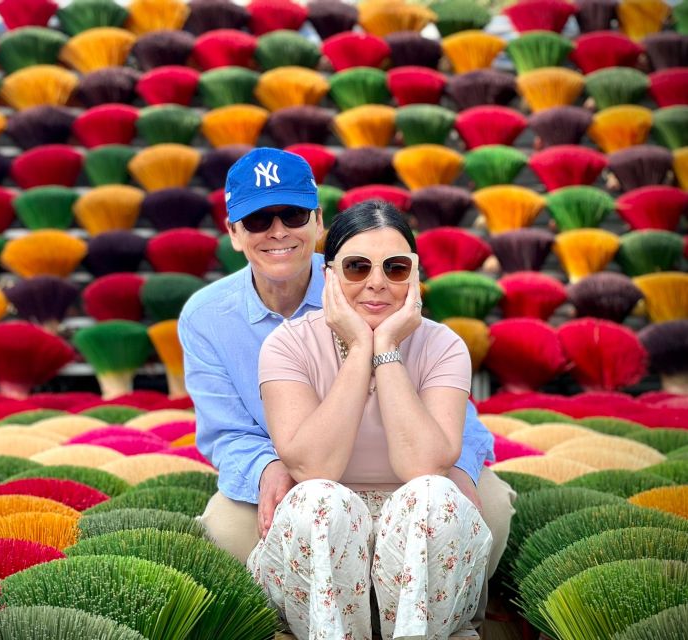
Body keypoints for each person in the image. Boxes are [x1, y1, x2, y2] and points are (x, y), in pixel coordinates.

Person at [178, 148, 515, 628]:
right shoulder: (207, 317)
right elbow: (225, 429)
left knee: (490, 507)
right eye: (256, 221)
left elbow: (441, 386)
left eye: (292, 215)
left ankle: (444, 615)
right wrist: (266, 467)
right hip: (298, 465)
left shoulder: (366, 274)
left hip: (401, 461)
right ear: (234, 234)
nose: (277, 232)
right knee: (228, 528)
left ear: (317, 223)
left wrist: (454, 466)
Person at [249, 200, 491, 639]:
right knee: (319, 501)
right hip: (324, 528)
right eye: (357, 267)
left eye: (395, 268)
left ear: (414, 277)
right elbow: (313, 468)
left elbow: (425, 466)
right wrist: (359, 349)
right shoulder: (287, 345)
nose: (376, 283)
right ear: (330, 276)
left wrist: (387, 350)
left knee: (433, 495)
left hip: (418, 525)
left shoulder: (444, 346)